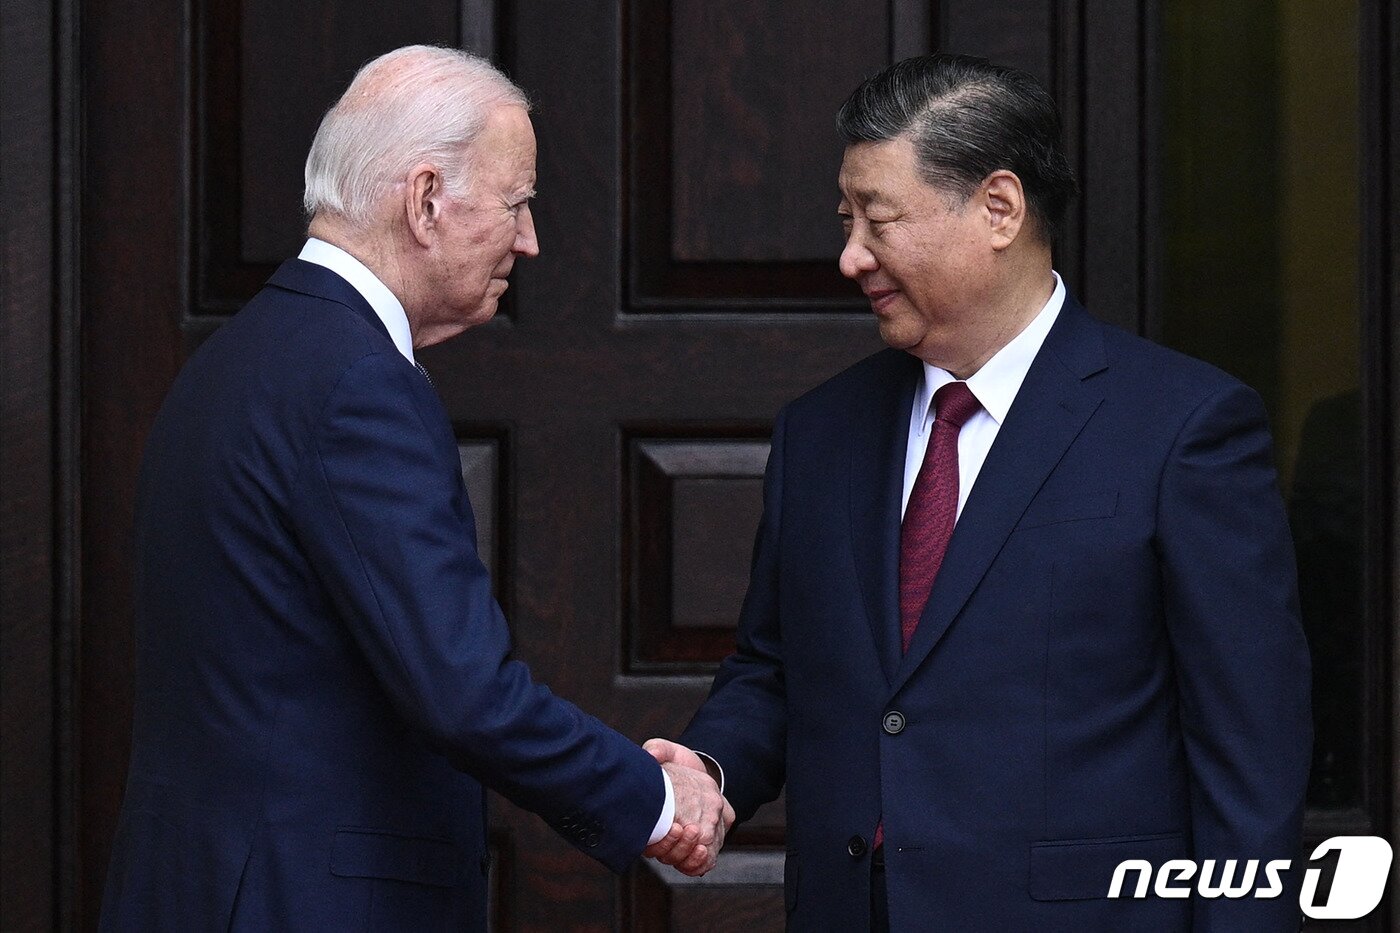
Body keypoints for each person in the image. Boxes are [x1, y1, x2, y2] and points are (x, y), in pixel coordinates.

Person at [647, 53, 1311, 930]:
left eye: (878, 220)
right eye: (846, 219)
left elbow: (1249, 756)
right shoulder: (822, 431)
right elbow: (774, 669)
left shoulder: (1181, 427)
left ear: (998, 208)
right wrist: (709, 767)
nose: (850, 257)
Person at [99, 45, 728, 932]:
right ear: (426, 199)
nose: (529, 239)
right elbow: (463, 691)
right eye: (517, 204)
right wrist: (658, 799)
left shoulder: (237, 359)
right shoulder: (358, 383)